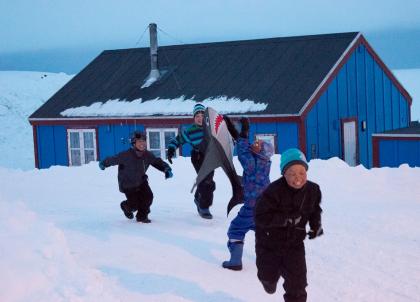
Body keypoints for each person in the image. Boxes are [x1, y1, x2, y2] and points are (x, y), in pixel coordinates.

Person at [254, 148, 323, 301]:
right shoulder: (273, 191)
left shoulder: (313, 190)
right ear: (284, 173)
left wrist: (316, 225)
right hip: (269, 243)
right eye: (292, 173)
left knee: (297, 285)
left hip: (294, 244)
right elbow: (260, 216)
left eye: (302, 173)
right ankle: (268, 280)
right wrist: (285, 219)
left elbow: (314, 209)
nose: (297, 178)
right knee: (268, 278)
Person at [222, 115, 273, 271]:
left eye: (258, 144)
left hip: (251, 207)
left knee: (236, 229)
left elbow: (244, 155)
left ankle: (235, 262)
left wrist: (243, 135)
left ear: (260, 153)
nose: (254, 144)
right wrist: (240, 136)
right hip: (264, 209)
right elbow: (249, 152)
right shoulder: (264, 163)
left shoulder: (253, 164)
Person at [99, 131, 173, 223]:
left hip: (141, 181)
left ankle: (142, 216)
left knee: (148, 197)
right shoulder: (125, 155)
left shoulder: (147, 155)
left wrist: (166, 169)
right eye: (139, 141)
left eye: (144, 141)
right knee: (134, 205)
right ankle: (126, 207)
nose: (142, 144)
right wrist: (103, 163)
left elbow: (157, 162)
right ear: (134, 143)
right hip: (128, 183)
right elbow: (113, 159)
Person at [167, 103, 215, 219]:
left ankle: (199, 197)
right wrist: (171, 149)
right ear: (194, 118)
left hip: (210, 157)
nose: (200, 118)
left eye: (202, 115)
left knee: (207, 180)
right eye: (197, 116)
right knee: (206, 180)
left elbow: (222, 139)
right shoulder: (190, 131)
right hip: (198, 157)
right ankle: (204, 207)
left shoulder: (212, 129)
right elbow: (177, 140)